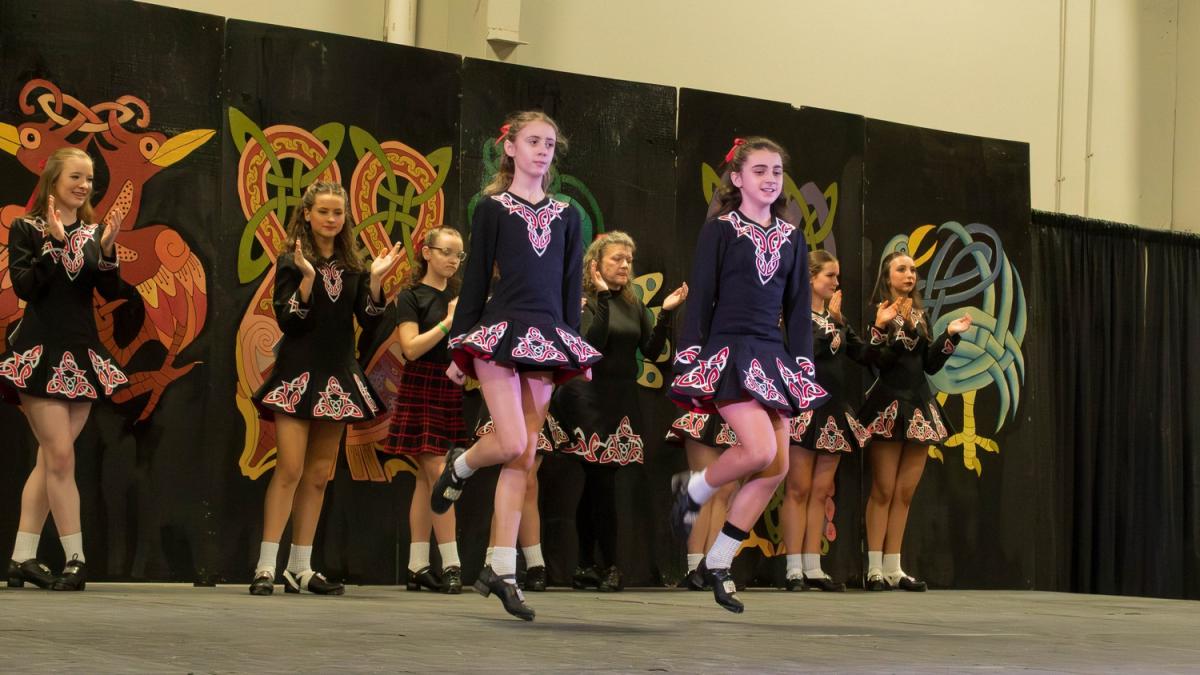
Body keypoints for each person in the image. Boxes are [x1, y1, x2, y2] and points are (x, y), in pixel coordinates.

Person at [430, 112, 600, 621]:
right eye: (533, 141)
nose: (543, 150)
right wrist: (460, 348)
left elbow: (571, 287)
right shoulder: (491, 208)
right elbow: (477, 277)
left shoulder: (568, 214)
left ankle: (500, 570)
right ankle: (460, 464)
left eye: (550, 143)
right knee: (510, 442)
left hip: (548, 338)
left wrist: (572, 345)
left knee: (524, 459)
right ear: (510, 148)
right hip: (501, 333)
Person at [668, 137, 825, 613]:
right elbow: (702, 299)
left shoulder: (793, 238)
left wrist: (802, 364)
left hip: (772, 357)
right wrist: (692, 353)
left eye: (776, 171)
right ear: (737, 179)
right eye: (759, 170)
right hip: (729, 352)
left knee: (776, 468)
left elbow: (798, 311)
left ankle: (719, 560)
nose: (770, 179)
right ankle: (693, 488)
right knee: (758, 450)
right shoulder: (720, 230)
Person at [248, 181, 399, 596]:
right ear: (308, 214)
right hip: (298, 375)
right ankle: (265, 566)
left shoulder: (354, 264)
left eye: (338, 213)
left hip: (337, 376)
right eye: (324, 212)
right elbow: (289, 321)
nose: (332, 219)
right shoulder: (291, 261)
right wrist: (308, 279)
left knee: (318, 475)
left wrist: (374, 282)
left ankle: (300, 567)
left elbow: (369, 322)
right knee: (290, 469)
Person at [2, 148, 131, 591]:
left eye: (90, 179)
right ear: (53, 180)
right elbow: (25, 287)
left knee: (49, 459)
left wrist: (109, 250)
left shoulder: (94, 232)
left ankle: (21, 558)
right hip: (38, 353)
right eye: (76, 176)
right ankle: (76, 558)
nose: (84, 185)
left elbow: (110, 290)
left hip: (81, 355)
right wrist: (54, 243)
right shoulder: (26, 228)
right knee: (59, 456)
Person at [553, 231, 686, 592]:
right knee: (601, 481)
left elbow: (654, 351)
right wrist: (601, 297)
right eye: (617, 258)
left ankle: (586, 565)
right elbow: (590, 344)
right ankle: (608, 564)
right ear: (595, 264)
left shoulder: (634, 304)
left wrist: (667, 315)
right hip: (585, 398)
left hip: (620, 399)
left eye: (629, 259)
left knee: (601, 483)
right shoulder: (584, 301)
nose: (625, 264)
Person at [858, 251, 971, 591]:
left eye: (913, 270)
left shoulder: (921, 314)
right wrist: (891, 329)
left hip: (919, 405)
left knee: (905, 492)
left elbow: (931, 365)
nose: (909, 275)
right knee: (883, 489)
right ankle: (873, 568)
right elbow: (875, 360)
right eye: (901, 269)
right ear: (886, 276)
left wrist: (950, 336)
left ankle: (895, 567)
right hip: (889, 404)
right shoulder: (878, 312)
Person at [780, 250, 872, 592]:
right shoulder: (793, 313)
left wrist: (875, 327)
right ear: (810, 279)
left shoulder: (836, 316)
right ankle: (792, 568)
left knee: (820, 490)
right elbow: (802, 353)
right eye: (830, 276)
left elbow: (861, 353)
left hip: (834, 407)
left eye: (837, 276)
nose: (836, 282)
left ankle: (813, 565)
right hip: (805, 405)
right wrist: (832, 325)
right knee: (798, 487)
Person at [382, 227, 467, 594]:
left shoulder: (460, 296)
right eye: (446, 251)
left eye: (458, 254)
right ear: (427, 252)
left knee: (424, 479)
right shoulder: (411, 295)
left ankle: (417, 565)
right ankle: (451, 564)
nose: (452, 259)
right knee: (439, 474)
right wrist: (449, 321)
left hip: (451, 384)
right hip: (422, 380)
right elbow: (411, 348)